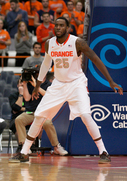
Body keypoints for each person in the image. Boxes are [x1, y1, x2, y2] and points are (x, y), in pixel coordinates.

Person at [10, 17, 123, 164]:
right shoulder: (49, 43)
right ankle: (24, 152)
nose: (58, 27)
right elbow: (45, 64)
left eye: (61, 25)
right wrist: (37, 86)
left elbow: (95, 59)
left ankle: (103, 151)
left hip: (76, 84)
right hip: (58, 84)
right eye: (56, 25)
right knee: (39, 116)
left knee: (85, 115)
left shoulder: (77, 42)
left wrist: (110, 80)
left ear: (68, 27)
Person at [8, 73, 68, 162]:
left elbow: (49, 96)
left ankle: (56, 146)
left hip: (43, 113)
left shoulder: (49, 84)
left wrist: (37, 86)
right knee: (19, 119)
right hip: (30, 112)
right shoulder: (29, 84)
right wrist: (24, 84)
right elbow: (27, 98)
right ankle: (25, 146)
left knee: (48, 123)